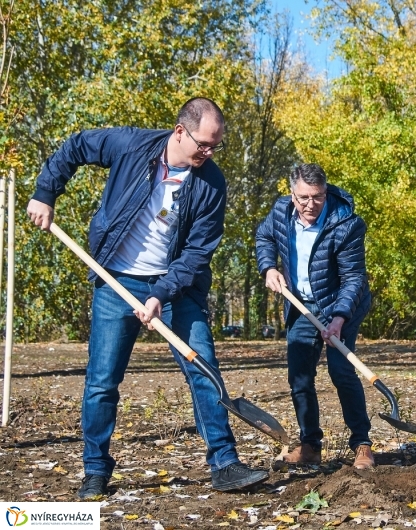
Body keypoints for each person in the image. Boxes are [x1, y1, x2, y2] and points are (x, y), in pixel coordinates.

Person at [27, 98, 270, 499]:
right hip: (116, 278)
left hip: (176, 287)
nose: (208, 154)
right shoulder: (130, 146)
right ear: (180, 131)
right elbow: (75, 147)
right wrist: (45, 193)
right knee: (102, 382)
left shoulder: (211, 182)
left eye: (215, 147)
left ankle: (225, 463)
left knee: (203, 367)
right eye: (204, 145)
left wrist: (160, 294)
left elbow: (196, 253)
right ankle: (95, 470)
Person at [255, 163, 374, 469]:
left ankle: (362, 444)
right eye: (303, 198)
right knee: (300, 377)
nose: (310, 205)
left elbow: (353, 279)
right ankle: (310, 445)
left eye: (317, 197)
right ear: (291, 193)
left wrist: (339, 318)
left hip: (340, 306)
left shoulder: (346, 223)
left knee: (342, 371)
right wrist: (268, 267)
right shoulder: (281, 211)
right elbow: (264, 238)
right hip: (301, 306)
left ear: (326, 191)